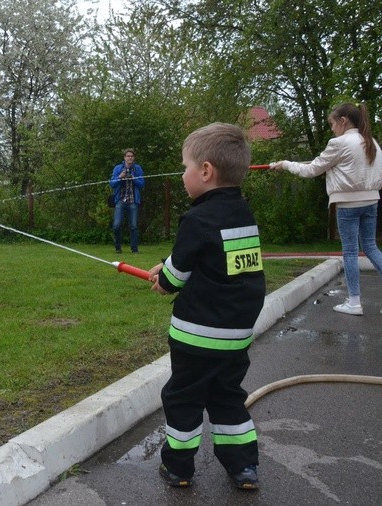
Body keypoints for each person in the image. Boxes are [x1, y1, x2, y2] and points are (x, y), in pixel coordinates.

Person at [148, 123, 265, 490]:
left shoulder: (196, 218)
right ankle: (244, 467)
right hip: (236, 335)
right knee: (228, 398)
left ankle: (179, 467)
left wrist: (163, 278)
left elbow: (175, 277)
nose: (182, 175)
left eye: (185, 167)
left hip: (196, 336)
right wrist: (172, 267)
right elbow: (223, 262)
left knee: (182, 397)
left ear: (206, 171)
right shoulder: (243, 215)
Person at [271, 102, 382, 315]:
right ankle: (353, 301)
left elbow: (311, 170)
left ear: (343, 121)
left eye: (332, 123)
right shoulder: (373, 143)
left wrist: (285, 164)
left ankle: (354, 302)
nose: (331, 128)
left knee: (350, 251)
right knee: (370, 248)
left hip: (347, 204)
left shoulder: (338, 143)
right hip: (371, 202)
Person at [109, 148, 145, 253]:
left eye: (131, 156)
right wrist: (120, 177)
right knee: (116, 225)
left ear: (134, 158)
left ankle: (134, 250)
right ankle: (118, 248)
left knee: (133, 226)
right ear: (124, 158)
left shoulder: (137, 169)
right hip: (120, 200)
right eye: (128, 156)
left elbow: (142, 184)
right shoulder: (118, 168)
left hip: (133, 201)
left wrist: (134, 178)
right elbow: (112, 183)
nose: (130, 158)